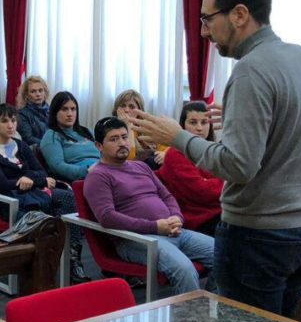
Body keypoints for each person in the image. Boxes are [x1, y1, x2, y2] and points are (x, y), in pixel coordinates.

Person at [131, 0, 301, 317]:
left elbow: (238, 165)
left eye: (208, 19)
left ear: (240, 14)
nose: (203, 31)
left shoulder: (252, 70)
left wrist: (177, 137)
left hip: (263, 237)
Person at [84, 117, 214, 296]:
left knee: (224, 256)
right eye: (114, 139)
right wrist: (155, 227)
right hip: (138, 239)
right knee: (185, 269)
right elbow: (107, 217)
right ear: (99, 146)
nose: (122, 143)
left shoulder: (140, 167)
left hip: (172, 230)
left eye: (124, 137)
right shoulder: (98, 176)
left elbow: (166, 196)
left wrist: (177, 217)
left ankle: (211, 307)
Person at [0, 104, 89, 284]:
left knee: (69, 198)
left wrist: (27, 180)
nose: (10, 125)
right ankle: (38, 266)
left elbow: (40, 173)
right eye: (4, 121)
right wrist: (25, 180)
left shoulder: (20, 145)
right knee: (39, 217)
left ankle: (71, 256)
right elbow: (0, 183)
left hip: (34, 193)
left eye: (13, 120)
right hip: (9, 200)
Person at [157, 102, 223, 235]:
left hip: (221, 212)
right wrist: (229, 182)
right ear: (182, 126)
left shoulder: (213, 150)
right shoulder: (175, 153)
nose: (199, 128)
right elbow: (202, 192)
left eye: (204, 122)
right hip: (197, 221)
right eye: (193, 122)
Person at [40, 91, 100, 182]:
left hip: (105, 171)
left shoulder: (87, 131)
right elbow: (57, 166)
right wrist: (87, 171)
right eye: (64, 109)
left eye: (73, 109)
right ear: (55, 112)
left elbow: (107, 152)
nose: (70, 114)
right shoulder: (51, 135)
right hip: (85, 178)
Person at [112, 89, 166, 166]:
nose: (127, 110)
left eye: (131, 107)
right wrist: (128, 125)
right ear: (117, 109)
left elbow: (167, 147)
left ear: (139, 111)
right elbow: (129, 160)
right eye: (123, 106)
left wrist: (165, 154)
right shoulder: (112, 130)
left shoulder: (146, 127)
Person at [15, 75, 50, 147]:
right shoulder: (22, 114)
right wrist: (50, 145)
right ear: (26, 95)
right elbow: (28, 138)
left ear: (45, 92)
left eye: (40, 90)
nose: (38, 94)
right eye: (33, 91)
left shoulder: (51, 111)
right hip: (37, 150)